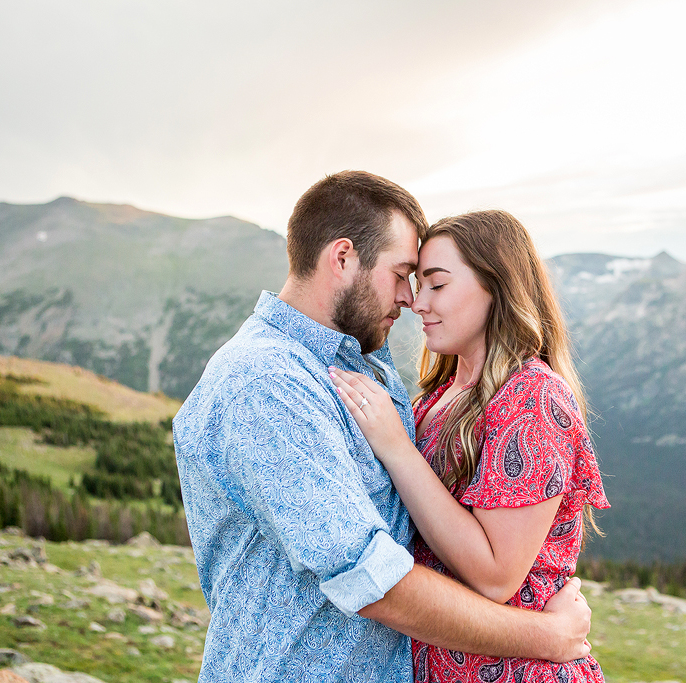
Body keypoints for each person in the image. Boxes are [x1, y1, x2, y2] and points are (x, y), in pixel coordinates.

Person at [173, 172, 592, 683]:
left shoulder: (364, 365)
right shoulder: (265, 382)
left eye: (430, 282)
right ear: (343, 258)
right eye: (403, 275)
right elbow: (371, 577)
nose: (410, 299)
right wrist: (546, 636)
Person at [329, 209, 610, 683]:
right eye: (417, 284)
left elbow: (496, 576)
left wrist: (397, 448)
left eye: (437, 285)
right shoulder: (438, 396)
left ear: (496, 287)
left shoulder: (532, 398)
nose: (418, 303)